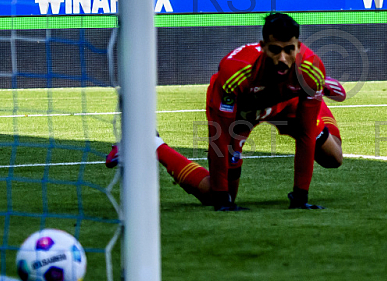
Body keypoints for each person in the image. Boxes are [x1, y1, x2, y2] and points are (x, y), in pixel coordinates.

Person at [106, 12, 346, 211]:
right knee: (218, 194)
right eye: (275, 50)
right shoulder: (234, 74)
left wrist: (300, 197)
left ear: (297, 46)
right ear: (263, 48)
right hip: (242, 113)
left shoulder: (310, 69)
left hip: (287, 102)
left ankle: (318, 89)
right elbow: (219, 138)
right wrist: (222, 200)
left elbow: (305, 134)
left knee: (333, 158)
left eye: (289, 50)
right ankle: (151, 143)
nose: (282, 59)